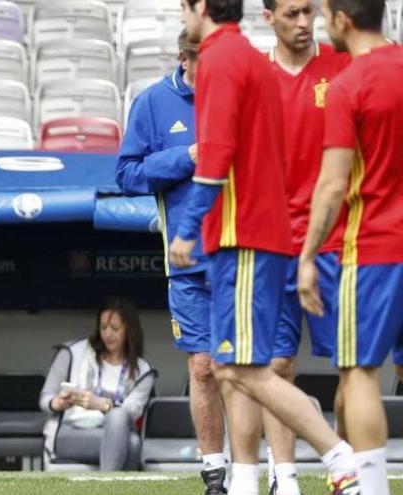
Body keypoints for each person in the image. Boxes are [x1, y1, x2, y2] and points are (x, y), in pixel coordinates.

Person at [170, 1, 360, 494]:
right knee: (237, 368)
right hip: (260, 233)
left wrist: (188, 226)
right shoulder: (254, 61)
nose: (183, 14)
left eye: (185, 6)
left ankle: (339, 457)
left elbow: (215, 154)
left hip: (244, 236)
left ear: (202, 8)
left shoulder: (220, 60)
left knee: (241, 368)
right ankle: (250, 481)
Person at [298, 1, 403, 493]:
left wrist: (307, 255)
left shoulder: (348, 85)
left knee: (359, 375)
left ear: (342, 19)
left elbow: (333, 185)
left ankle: (372, 489)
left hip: (374, 249)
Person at [115, 30, 227, 493]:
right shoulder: (152, 103)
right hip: (187, 263)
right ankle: (215, 472)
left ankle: (261, 471)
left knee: (247, 371)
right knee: (202, 367)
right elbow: (126, 175)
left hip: (242, 255)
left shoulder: (238, 96)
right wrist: (186, 157)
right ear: (184, 57)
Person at [260, 1, 350, 493]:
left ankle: (355, 473)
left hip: (335, 242)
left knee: (353, 370)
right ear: (268, 16)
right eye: (291, 13)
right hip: (274, 245)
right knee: (275, 365)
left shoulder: (341, 66)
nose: (302, 22)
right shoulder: (255, 76)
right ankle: (285, 478)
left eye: (307, 12)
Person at [40, 297, 155, 471]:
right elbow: (45, 398)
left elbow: (131, 413)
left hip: (115, 431)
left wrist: (101, 404)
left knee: (120, 420)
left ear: (129, 330)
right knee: (131, 445)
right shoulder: (73, 352)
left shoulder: (143, 371)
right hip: (73, 430)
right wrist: (57, 403)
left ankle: (104, 486)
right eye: (103, 327)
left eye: (115, 328)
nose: (108, 334)